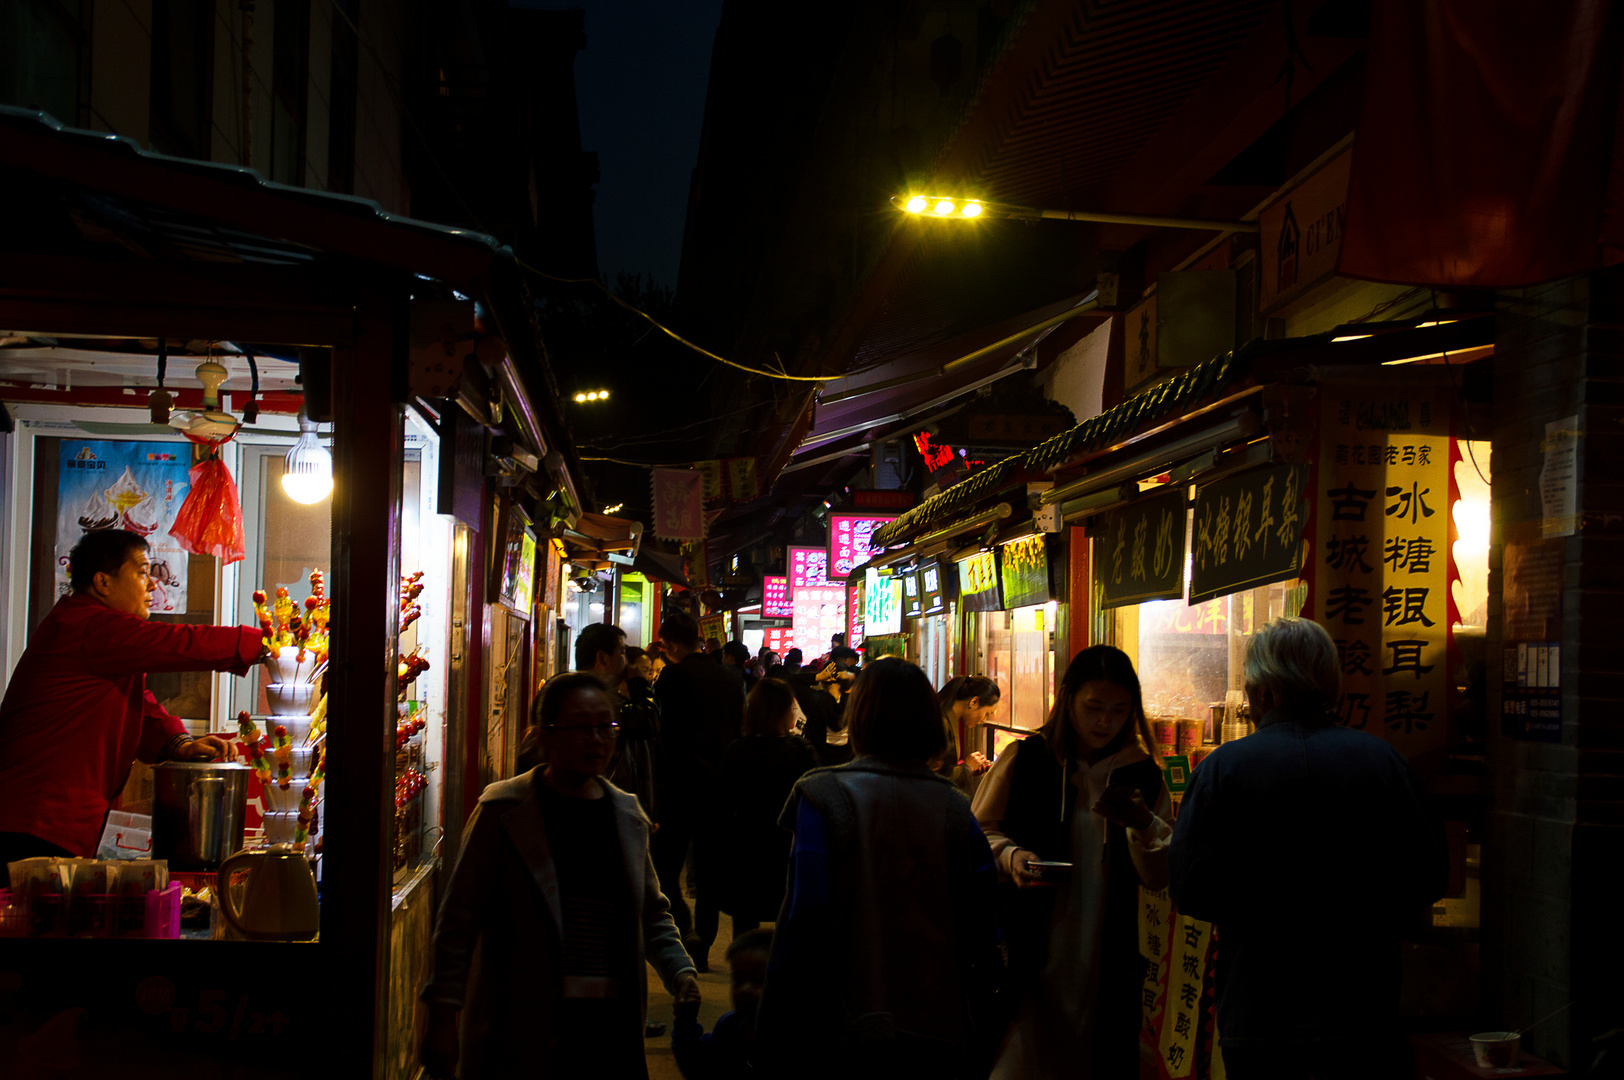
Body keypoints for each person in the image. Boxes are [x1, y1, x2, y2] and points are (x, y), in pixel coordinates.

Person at [1169, 618, 1448, 1079]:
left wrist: (1264, 900)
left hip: (1260, 1015)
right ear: (1330, 688)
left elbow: (1190, 886)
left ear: (1262, 694)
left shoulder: (1223, 770)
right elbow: (1430, 874)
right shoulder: (1383, 762)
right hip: (1363, 1014)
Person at [421, 672, 700, 1080]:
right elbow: (457, 924)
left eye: (605, 726)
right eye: (580, 727)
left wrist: (680, 971)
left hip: (608, 1027)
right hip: (520, 1025)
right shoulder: (503, 811)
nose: (596, 738)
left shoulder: (627, 815)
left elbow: (652, 915)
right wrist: (443, 1017)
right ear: (544, 736)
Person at [754, 657, 999, 1080]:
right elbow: (983, 922)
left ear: (860, 716)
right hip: (936, 1026)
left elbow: (803, 918)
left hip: (842, 1025)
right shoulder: (955, 807)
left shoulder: (821, 795)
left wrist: (770, 1024)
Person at [0, 530, 267, 864]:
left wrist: (178, 744)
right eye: (141, 573)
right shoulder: (90, 626)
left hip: (52, 820)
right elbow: (177, 643)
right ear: (102, 582)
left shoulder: (93, 630)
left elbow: (136, 702)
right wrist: (265, 644)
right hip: (35, 821)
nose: (152, 584)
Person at [971, 645, 1171, 1079]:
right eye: (1093, 707)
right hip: (1028, 949)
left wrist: (1142, 823)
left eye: (1119, 710)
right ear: (1068, 699)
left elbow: (1159, 874)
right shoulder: (1027, 760)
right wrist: (1013, 856)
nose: (1105, 722)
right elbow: (977, 833)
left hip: (1108, 953)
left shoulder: (1144, 775)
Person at [652, 610, 745, 972]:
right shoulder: (728, 678)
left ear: (671, 645)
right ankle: (703, 945)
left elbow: (658, 731)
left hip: (676, 787)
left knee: (663, 869)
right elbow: (737, 730)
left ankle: (683, 932)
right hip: (717, 788)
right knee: (708, 874)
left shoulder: (671, 676)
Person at [719, 679, 818, 936]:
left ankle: (743, 973)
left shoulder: (736, 751)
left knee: (745, 921)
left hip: (746, 848)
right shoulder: (801, 752)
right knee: (791, 922)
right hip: (789, 848)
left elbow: (725, 802)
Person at [672, 928, 774, 1080]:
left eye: (758, 980)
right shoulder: (729, 1027)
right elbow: (697, 1068)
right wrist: (685, 1022)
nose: (745, 989)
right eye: (738, 981)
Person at [936, 675, 1002, 795]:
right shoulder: (941, 723)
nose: (984, 720)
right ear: (974, 702)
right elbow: (932, 775)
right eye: (987, 713)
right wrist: (967, 768)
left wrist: (970, 768)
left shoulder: (945, 716)